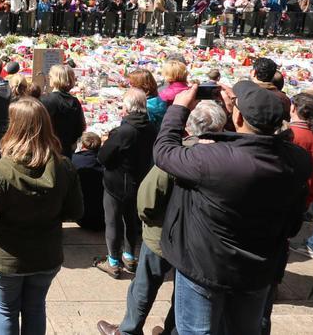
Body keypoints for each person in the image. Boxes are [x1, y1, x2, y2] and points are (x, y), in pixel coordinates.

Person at [153, 80, 311, 334]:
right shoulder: (297, 160)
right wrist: (235, 114)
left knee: (197, 331)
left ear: (238, 118)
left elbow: (164, 151)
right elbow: (251, 144)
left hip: (205, 264)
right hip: (258, 266)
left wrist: (178, 109)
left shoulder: (213, 160)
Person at [96, 100, 227, 335]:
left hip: (162, 233)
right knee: (185, 290)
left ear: (188, 127)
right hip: (201, 242)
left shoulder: (177, 156)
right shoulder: (228, 159)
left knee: (144, 286)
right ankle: (171, 330)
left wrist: (148, 221)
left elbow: (147, 199)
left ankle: (128, 330)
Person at [0, 97, 83, 335]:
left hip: (7, 258)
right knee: (35, 308)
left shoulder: (3, 169)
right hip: (46, 255)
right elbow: (76, 212)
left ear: (14, 126)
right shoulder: (64, 166)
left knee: (6, 311)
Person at [95, 89, 158, 278]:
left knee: (113, 221)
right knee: (131, 220)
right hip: (139, 181)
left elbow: (103, 156)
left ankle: (113, 261)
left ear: (129, 107)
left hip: (116, 183)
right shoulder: (150, 128)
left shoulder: (124, 131)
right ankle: (129, 256)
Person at [39, 64, 85, 156]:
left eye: (50, 76)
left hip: (47, 149)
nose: (49, 79)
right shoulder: (75, 101)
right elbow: (80, 127)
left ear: (56, 79)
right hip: (66, 148)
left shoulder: (45, 100)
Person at [71, 132, 105, 232]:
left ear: (82, 145)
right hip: (102, 217)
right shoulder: (105, 162)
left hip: (81, 216)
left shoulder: (74, 160)